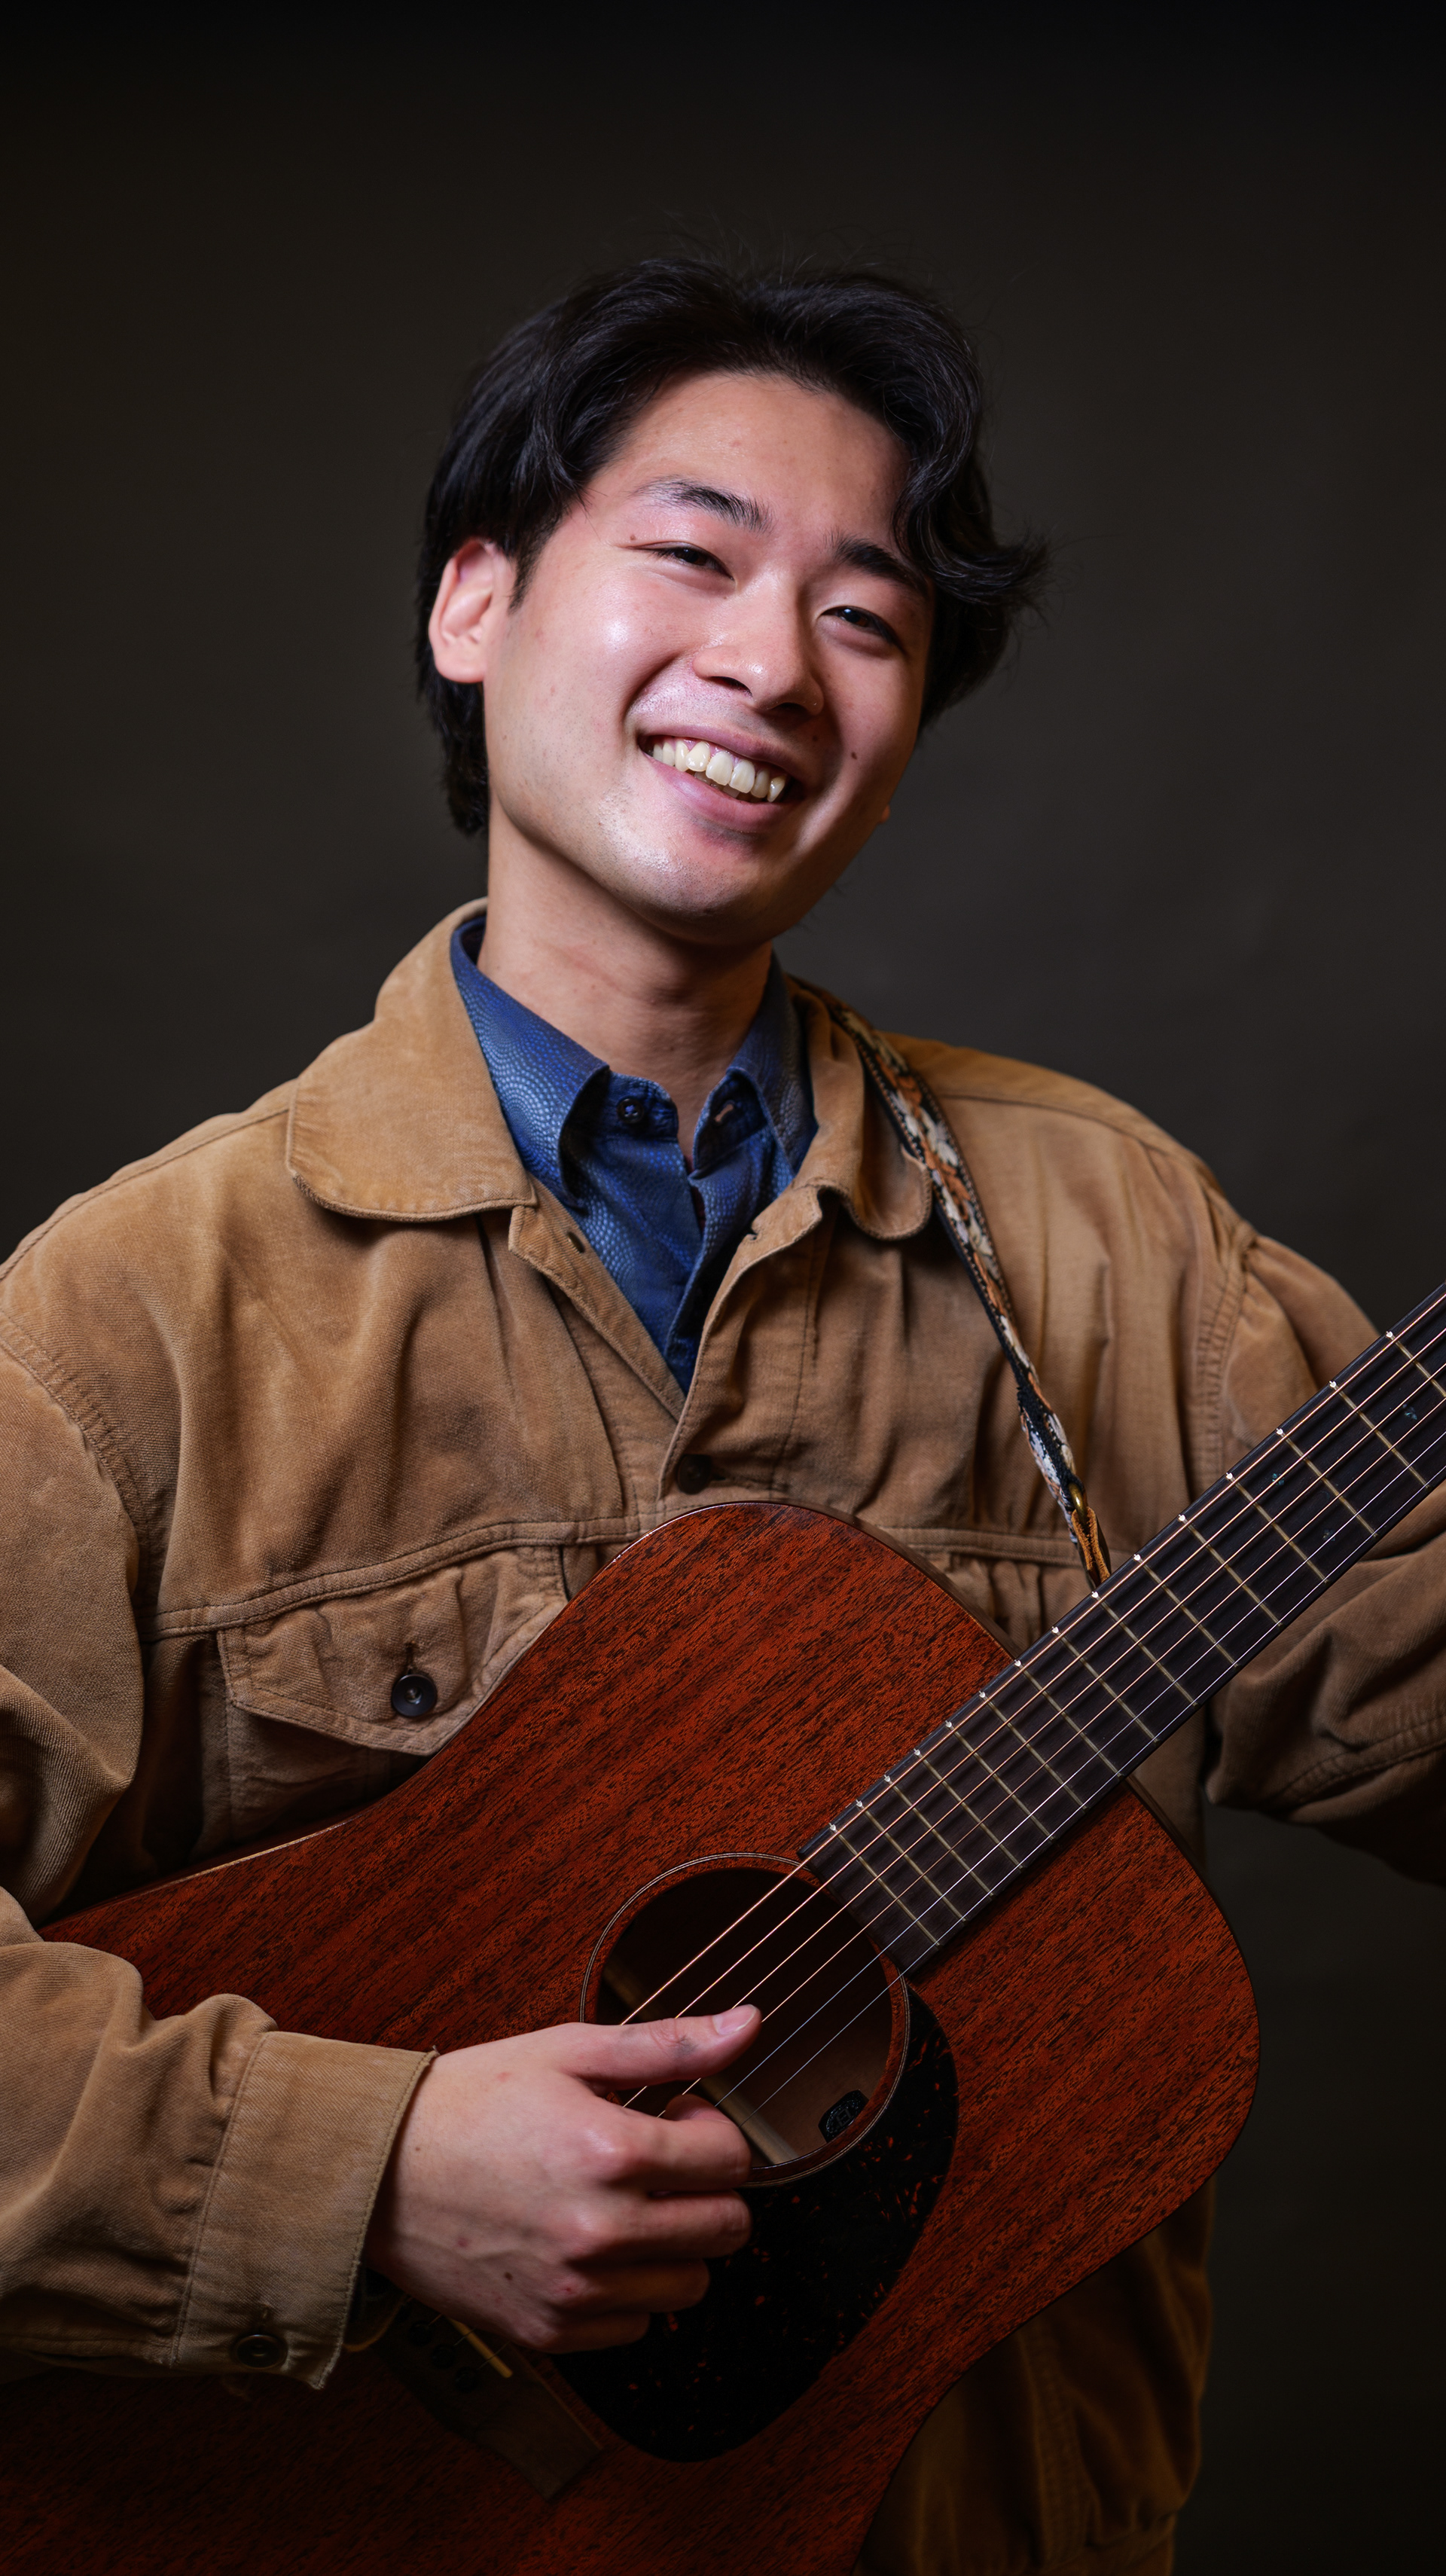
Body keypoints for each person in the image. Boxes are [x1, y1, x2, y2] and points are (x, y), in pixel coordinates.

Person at [2, 258, 1444, 2576]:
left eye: (865, 616)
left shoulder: (1117, 1241)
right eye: (693, 555)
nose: (772, 663)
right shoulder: (137, 1317)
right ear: (476, 602)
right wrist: (367, 2167)